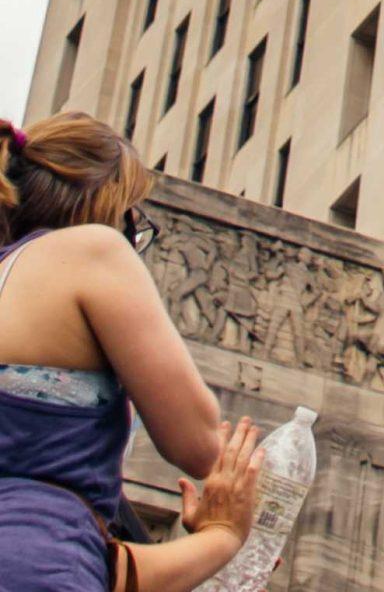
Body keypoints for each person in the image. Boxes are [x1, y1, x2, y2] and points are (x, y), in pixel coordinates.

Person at [0, 111, 266, 590]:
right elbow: (201, 446)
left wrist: (209, 545)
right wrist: (227, 530)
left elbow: (98, 567)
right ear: (110, 202)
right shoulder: (91, 250)